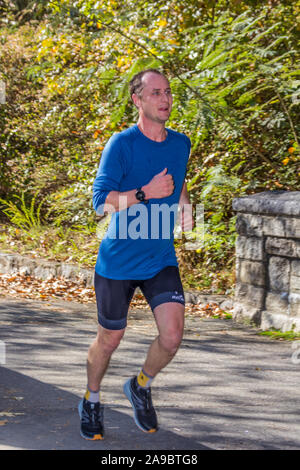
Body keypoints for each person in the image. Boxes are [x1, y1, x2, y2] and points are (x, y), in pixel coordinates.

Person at [78, 68, 193, 440]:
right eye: (156, 92)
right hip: (119, 261)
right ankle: (92, 399)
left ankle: (140, 385)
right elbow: (99, 204)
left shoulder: (181, 143)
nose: (165, 99)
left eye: (168, 92)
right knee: (110, 339)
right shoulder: (120, 144)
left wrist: (185, 205)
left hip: (159, 256)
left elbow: (178, 178)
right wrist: (145, 192)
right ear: (138, 100)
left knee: (172, 336)